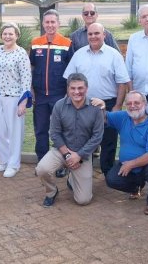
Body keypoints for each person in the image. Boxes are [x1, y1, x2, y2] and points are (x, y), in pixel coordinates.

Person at [64, 22, 130, 176]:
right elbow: (70, 80)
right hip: (82, 104)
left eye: (97, 33)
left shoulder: (114, 55)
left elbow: (121, 83)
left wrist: (117, 106)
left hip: (107, 104)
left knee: (108, 141)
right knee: (81, 139)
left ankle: (107, 173)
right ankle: (79, 172)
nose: (93, 36)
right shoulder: (79, 54)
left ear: (104, 35)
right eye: (90, 34)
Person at [35, 73, 104, 207]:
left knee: (83, 200)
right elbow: (54, 133)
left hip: (83, 154)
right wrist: (68, 155)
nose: (76, 92)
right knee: (42, 169)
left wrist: (78, 155)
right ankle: (51, 192)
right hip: (61, 150)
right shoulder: (59, 106)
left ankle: (72, 179)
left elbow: (97, 137)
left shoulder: (95, 108)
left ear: (86, 88)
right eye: (73, 88)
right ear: (68, 89)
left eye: (80, 88)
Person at [103, 91, 148, 215]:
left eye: (136, 103)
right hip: (128, 165)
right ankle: (136, 187)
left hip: (147, 164)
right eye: (129, 103)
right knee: (111, 179)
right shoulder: (123, 116)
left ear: (145, 104)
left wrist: (131, 164)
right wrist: (101, 107)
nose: (132, 106)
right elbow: (103, 118)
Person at [29, 9, 73, 176]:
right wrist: (32, 89)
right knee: (40, 130)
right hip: (40, 96)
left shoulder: (66, 43)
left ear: (58, 23)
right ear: (43, 24)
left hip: (59, 95)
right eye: (47, 22)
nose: (50, 25)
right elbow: (32, 67)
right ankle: (42, 164)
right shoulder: (36, 42)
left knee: (60, 131)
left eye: (53, 22)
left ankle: (61, 164)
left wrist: (68, 93)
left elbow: (71, 71)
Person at [0, 23, 32, 178]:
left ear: (17, 36)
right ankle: (4, 160)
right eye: (5, 34)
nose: (7, 36)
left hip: (14, 97)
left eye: (11, 34)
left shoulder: (21, 53)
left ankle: (14, 164)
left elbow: (26, 79)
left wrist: (23, 101)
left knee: (15, 132)